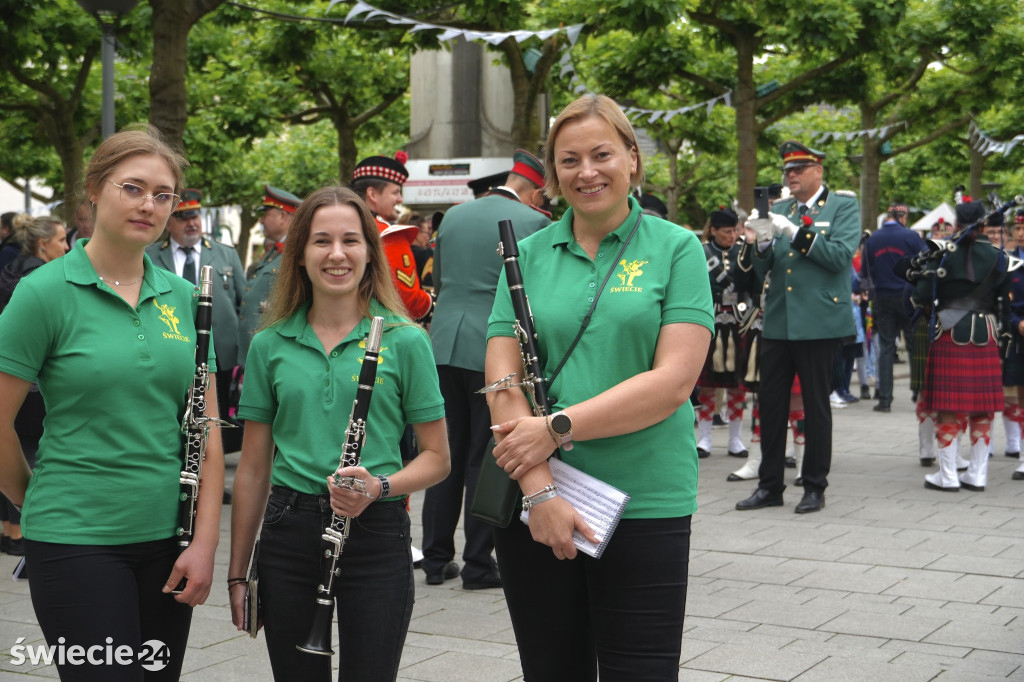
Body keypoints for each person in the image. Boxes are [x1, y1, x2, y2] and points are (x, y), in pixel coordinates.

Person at [483, 94, 713, 681]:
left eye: (602, 154)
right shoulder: (526, 254)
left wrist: (555, 428)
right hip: (538, 499)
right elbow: (502, 382)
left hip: (646, 497)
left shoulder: (677, 247)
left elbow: (673, 382)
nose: (587, 172)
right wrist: (538, 492)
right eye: (569, 160)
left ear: (633, 159)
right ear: (553, 175)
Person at [0, 125, 224, 680]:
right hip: (75, 537)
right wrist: (36, 501)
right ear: (95, 190)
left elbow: (208, 428)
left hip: (169, 539)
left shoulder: (185, 297)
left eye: (163, 194)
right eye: (133, 187)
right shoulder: (44, 292)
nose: (149, 204)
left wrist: (205, 543)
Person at [227, 186, 449, 681]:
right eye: (321, 241)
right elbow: (254, 469)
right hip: (289, 532)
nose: (336, 254)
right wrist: (238, 572)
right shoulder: (270, 344)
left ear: (370, 251)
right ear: (299, 253)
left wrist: (380, 486)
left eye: (351, 240)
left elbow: (437, 457)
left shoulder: (406, 339)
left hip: (377, 529)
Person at [422, 149, 550, 590]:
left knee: (442, 454)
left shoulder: (454, 216)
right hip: (493, 350)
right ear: (535, 190)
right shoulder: (536, 223)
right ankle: (478, 562)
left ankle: (436, 558)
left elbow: (438, 283)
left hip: (443, 345)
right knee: (484, 455)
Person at [736, 140, 860, 514]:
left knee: (815, 407)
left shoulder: (842, 206)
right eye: (787, 170)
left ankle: (814, 485)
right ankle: (770, 485)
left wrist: (794, 231)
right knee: (769, 405)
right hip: (779, 320)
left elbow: (840, 258)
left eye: (798, 169)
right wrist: (760, 245)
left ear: (818, 171)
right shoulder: (780, 209)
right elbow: (763, 270)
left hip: (819, 322)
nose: (790, 176)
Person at [911, 199, 1010, 492]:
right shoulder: (998, 255)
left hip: (950, 332)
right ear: (984, 225)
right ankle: (978, 475)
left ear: (956, 225)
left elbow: (920, 294)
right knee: (982, 409)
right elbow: (1004, 295)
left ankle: (948, 476)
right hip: (987, 332)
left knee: (948, 407)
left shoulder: (941, 254)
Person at [147, 189, 247, 447]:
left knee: (216, 420)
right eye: (183, 217)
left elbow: (242, 305)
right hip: (169, 348)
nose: (192, 223)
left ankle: (214, 475)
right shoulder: (151, 255)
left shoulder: (226, 254)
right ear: (168, 222)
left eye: (196, 216)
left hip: (220, 355)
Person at [0, 214, 68, 563]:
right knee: (28, 452)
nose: (68, 247)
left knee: (15, 446)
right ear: (44, 245)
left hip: (16, 381)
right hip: (32, 387)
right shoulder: (41, 280)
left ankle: (8, 531)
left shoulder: (10, 267)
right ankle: (19, 532)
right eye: (61, 241)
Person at [695, 206, 752, 458]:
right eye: (727, 231)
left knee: (737, 386)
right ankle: (704, 438)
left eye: (735, 230)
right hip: (711, 323)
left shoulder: (744, 252)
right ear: (714, 230)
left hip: (740, 323)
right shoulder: (701, 252)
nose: (732, 235)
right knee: (708, 385)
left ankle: (735, 440)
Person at [352, 152, 433, 322]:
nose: (400, 199)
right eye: (395, 192)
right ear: (372, 194)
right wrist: (433, 304)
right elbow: (410, 302)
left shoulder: (335, 226)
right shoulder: (389, 236)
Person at [862, 202, 924, 413]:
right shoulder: (912, 237)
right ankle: (918, 392)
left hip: (883, 296)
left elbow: (867, 270)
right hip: (908, 296)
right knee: (915, 346)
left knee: (886, 348)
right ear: (903, 217)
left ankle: (885, 398)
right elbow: (925, 262)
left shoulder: (873, 240)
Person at [237, 184, 301, 368]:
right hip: (256, 354)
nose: (261, 221)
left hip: (274, 356)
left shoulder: (296, 253)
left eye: (265, 214)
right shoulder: (275, 251)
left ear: (282, 216)